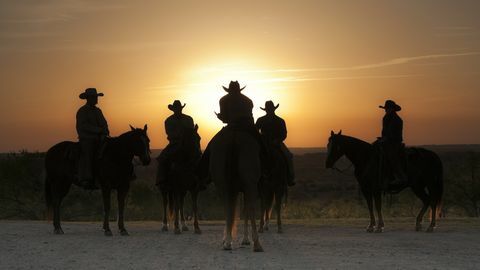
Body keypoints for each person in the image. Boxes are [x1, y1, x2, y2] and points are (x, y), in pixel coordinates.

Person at [198, 81, 268, 184]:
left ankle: (203, 174)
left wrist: (220, 117)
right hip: (248, 127)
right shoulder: (248, 100)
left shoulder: (223, 100)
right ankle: (266, 170)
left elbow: (225, 118)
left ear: (229, 90)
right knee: (262, 146)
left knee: (211, 146)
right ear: (239, 89)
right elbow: (249, 116)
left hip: (231, 127)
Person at [156, 100, 195, 188]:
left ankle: (200, 178)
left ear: (181, 109)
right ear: (173, 110)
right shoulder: (168, 121)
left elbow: (192, 132)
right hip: (174, 144)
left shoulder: (189, 119)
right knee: (162, 158)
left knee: (198, 155)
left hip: (188, 144)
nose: (178, 110)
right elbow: (169, 133)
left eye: (179, 109)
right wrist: (180, 135)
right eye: (176, 109)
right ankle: (161, 178)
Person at [256, 101, 295, 186]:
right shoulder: (260, 120)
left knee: (288, 156)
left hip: (277, 143)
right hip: (263, 143)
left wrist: (277, 140)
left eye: (270, 109)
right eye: (268, 109)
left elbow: (284, 134)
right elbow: (255, 132)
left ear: (273, 109)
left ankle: (290, 177)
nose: (269, 111)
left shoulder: (280, 121)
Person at [76, 88, 109, 190]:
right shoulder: (82, 111)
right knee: (88, 153)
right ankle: (86, 178)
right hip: (87, 139)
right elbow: (83, 126)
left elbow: (104, 123)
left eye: (96, 97)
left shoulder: (98, 111)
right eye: (94, 97)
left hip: (100, 138)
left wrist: (105, 130)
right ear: (88, 98)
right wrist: (99, 131)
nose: (96, 99)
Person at [378, 100, 407, 187]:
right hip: (386, 141)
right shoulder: (385, 118)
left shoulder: (397, 120)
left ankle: (401, 177)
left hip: (395, 142)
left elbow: (393, 133)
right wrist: (382, 138)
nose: (386, 110)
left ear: (392, 109)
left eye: (387, 109)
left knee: (391, 155)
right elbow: (384, 131)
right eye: (385, 109)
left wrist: (386, 139)